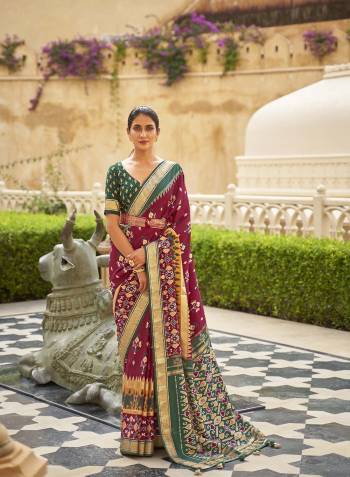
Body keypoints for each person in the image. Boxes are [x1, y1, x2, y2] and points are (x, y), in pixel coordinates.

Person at [104, 106, 279, 471]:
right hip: (128, 273)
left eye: (149, 127)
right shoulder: (116, 173)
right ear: (127, 132)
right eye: (136, 127)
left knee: (164, 348)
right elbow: (113, 224)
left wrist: (154, 259)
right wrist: (137, 261)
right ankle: (139, 434)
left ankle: (168, 430)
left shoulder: (172, 173)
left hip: (166, 275)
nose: (143, 134)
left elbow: (181, 227)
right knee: (135, 350)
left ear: (157, 132)